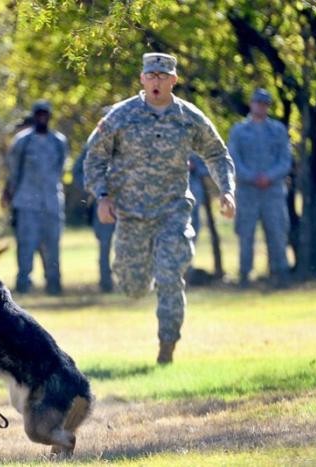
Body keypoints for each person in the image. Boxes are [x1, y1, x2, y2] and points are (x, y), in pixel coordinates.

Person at [84, 53, 236, 364]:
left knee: (171, 276)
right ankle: (141, 276)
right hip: (131, 213)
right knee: (132, 286)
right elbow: (94, 157)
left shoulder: (188, 116)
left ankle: (167, 346)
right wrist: (102, 195)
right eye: (151, 75)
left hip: (172, 211)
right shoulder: (120, 116)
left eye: (163, 76)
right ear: (141, 78)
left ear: (173, 80)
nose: (156, 81)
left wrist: (227, 191)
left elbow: (218, 154)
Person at [228, 88, 292, 288]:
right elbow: (233, 160)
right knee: (246, 235)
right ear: (251, 104)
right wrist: (251, 177)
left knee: (277, 233)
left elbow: (285, 160)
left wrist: (269, 177)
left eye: (264, 104)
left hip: (272, 192)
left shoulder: (278, 130)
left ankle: (280, 275)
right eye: (257, 102)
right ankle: (245, 277)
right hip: (247, 192)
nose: (260, 107)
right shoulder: (239, 131)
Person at [6, 99, 69, 295]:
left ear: (50, 116)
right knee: (26, 247)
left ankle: (54, 284)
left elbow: (60, 169)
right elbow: (14, 171)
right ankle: (23, 284)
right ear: (34, 116)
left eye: (45, 114)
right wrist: (10, 195)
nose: (42, 117)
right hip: (27, 203)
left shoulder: (59, 141)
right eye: (39, 114)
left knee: (52, 246)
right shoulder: (22, 141)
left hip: (51, 202)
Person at [73, 145, 115, 292]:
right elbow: (78, 172)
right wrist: (95, 190)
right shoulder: (96, 143)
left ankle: (133, 284)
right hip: (105, 203)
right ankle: (106, 283)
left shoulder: (135, 136)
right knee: (105, 245)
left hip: (132, 204)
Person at [188, 153, 209, 241]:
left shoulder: (197, 147)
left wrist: (194, 167)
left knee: (194, 223)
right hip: (172, 194)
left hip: (195, 194)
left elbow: (208, 168)